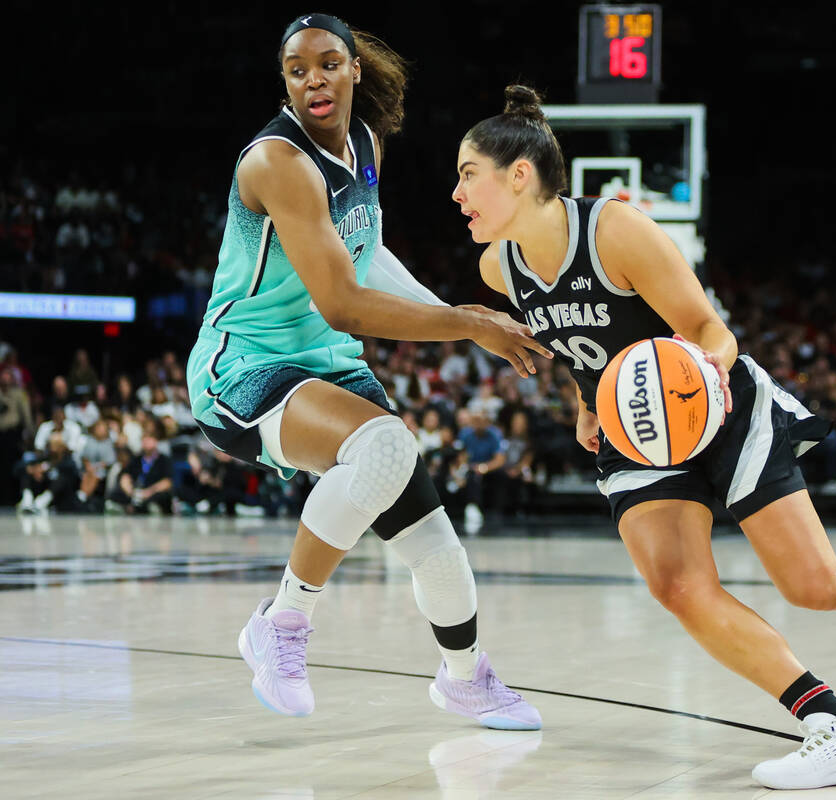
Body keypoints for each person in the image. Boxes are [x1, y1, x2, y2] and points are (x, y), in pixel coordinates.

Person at [452, 85, 836, 790]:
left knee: (817, 587)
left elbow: (712, 330)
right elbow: (576, 347)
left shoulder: (616, 230)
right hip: (635, 434)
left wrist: (697, 379)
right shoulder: (498, 267)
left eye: (468, 172)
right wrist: (586, 401)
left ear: (519, 175)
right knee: (678, 586)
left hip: (714, 406)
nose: (456, 191)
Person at [185, 15, 550, 728]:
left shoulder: (365, 144)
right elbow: (344, 302)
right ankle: (281, 626)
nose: (312, 78)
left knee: (433, 541)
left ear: (354, 70)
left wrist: (455, 317)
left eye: (327, 63)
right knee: (384, 444)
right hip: (245, 367)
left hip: (326, 364)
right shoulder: (276, 163)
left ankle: (465, 678)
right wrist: (468, 322)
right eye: (296, 69)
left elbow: (366, 256)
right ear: (285, 82)